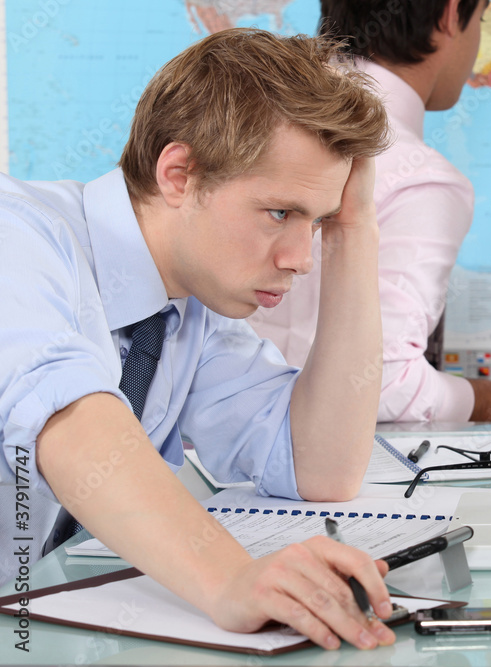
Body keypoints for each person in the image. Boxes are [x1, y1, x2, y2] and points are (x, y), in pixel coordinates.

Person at [0, 29, 399, 650]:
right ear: (180, 175)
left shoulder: (189, 309)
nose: (301, 258)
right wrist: (230, 579)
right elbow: (71, 420)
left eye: (316, 221)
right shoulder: (17, 236)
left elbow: (319, 467)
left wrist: (356, 229)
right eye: (279, 212)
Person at [251, 0, 491, 423]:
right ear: (452, 13)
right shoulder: (423, 180)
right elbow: (382, 384)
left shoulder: (244, 113)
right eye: (481, 20)